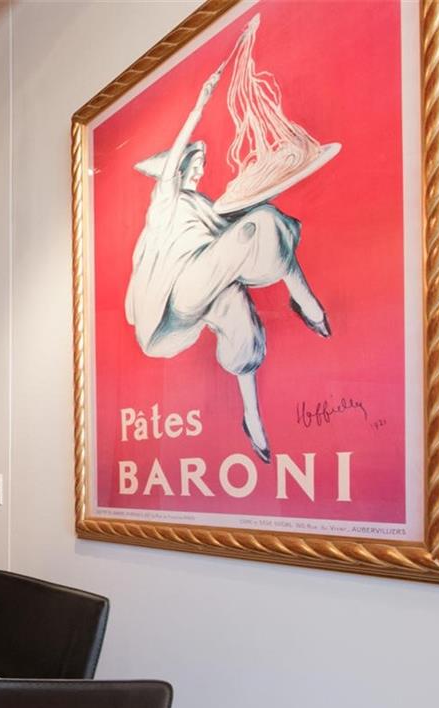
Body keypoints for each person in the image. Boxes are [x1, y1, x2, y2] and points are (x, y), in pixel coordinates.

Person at [125, 67, 330, 463]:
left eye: (199, 163)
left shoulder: (204, 204)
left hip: (210, 282)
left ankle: (252, 419)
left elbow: (232, 232)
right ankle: (307, 304)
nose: (200, 169)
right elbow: (171, 172)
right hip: (185, 290)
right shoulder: (166, 203)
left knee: (241, 317)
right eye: (194, 163)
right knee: (263, 223)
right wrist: (199, 106)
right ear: (178, 169)